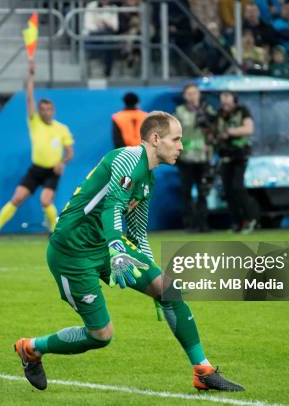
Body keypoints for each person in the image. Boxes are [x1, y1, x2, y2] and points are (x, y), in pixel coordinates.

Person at [13, 111, 244, 393]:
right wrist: (116, 248)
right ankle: (31, 348)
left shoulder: (148, 180)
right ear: (156, 139)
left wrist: (155, 275)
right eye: (177, 139)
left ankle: (203, 371)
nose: (181, 146)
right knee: (101, 335)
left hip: (107, 247)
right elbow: (112, 205)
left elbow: (138, 234)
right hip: (72, 253)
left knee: (169, 290)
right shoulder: (127, 158)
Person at [0, 61, 74, 240]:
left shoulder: (62, 129)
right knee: (16, 199)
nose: (46, 112)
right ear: (39, 112)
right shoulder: (34, 123)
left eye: (48, 109)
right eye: (43, 109)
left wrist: (62, 163)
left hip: (52, 171)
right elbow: (29, 97)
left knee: (45, 201)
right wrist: (31, 76)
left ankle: (54, 233)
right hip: (35, 169)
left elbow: (70, 153)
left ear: (53, 111)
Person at [174, 83, 216, 232]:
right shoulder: (179, 112)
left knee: (203, 191)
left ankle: (203, 224)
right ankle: (189, 224)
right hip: (185, 158)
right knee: (186, 192)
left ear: (199, 94)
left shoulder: (207, 110)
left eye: (195, 93)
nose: (192, 96)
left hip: (203, 158)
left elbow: (214, 130)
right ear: (185, 96)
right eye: (189, 93)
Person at [215, 91, 256, 233]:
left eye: (227, 97)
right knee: (228, 190)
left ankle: (250, 219)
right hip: (225, 154)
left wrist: (230, 132)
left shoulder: (242, 111)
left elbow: (249, 129)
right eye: (222, 98)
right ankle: (237, 223)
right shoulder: (219, 114)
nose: (224, 101)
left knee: (238, 187)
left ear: (234, 99)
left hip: (240, 154)